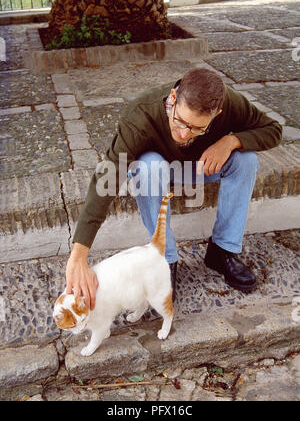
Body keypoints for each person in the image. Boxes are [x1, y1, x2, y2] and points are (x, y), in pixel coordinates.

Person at [65, 68, 282, 309]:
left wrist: (230, 141)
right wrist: (79, 255)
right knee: (148, 167)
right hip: (157, 172)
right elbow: (106, 180)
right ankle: (165, 259)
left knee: (246, 160)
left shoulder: (230, 102)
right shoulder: (139, 116)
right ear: (173, 97)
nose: (183, 134)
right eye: (179, 121)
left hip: (200, 168)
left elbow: (273, 129)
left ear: (217, 113)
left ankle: (222, 251)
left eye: (197, 128)